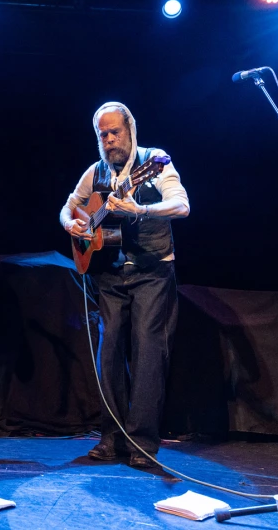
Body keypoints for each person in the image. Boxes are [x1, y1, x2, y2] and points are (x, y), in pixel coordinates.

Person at [59, 101, 189, 468]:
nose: (110, 139)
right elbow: (68, 208)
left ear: (131, 129)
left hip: (152, 271)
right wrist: (71, 224)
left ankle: (143, 444)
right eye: (103, 134)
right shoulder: (95, 172)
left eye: (115, 131)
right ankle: (111, 439)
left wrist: (142, 210)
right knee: (109, 355)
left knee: (149, 355)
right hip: (110, 275)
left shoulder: (155, 160)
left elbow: (182, 205)